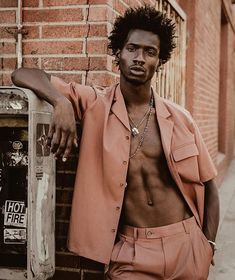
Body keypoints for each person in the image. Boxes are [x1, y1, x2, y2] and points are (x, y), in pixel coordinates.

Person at [11, 5, 219, 280]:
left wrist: (208, 245)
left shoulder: (181, 119)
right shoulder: (94, 103)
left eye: (150, 52)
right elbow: (22, 74)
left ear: (160, 61)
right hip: (131, 253)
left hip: (187, 246)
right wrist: (60, 100)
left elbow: (209, 185)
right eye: (132, 48)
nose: (139, 58)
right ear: (118, 53)